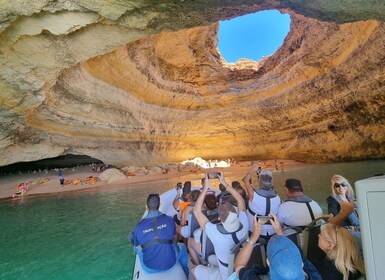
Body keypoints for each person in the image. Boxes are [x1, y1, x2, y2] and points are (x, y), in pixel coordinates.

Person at [191, 172, 249, 280]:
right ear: (236, 214)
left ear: (219, 219)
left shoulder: (216, 232)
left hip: (227, 275)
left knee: (194, 270)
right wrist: (225, 184)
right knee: (210, 259)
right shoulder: (244, 225)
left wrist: (205, 188)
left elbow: (196, 211)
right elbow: (240, 200)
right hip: (241, 266)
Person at [234, 214, 306, 280]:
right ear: (302, 264)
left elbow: (239, 266)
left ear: (268, 262)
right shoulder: (312, 274)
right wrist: (280, 234)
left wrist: (254, 236)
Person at [131, 194, 188, 276]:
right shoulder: (169, 220)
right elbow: (175, 239)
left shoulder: (139, 226)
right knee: (182, 247)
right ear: (160, 205)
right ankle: (186, 274)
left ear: (146, 206)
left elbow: (138, 247)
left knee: (136, 246)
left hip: (149, 268)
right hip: (170, 264)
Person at [243, 165, 281, 238]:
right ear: (271, 182)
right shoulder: (277, 198)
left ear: (259, 182)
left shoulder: (253, 195)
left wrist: (252, 170)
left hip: (255, 231)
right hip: (272, 231)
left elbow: (246, 180)